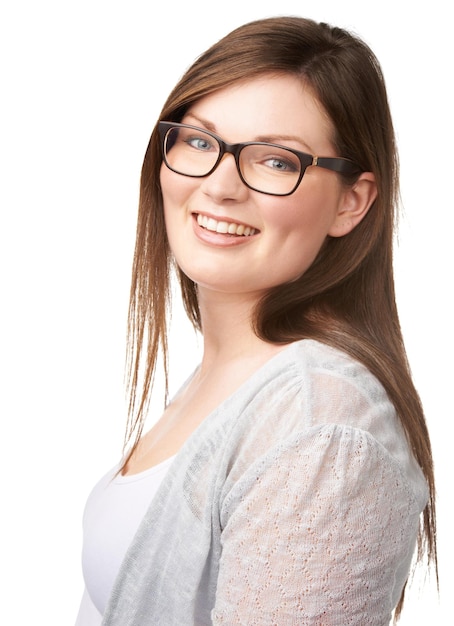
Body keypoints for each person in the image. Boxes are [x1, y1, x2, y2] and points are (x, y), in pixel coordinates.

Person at [75, 16, 437, 625]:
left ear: (351, 202)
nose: (218, 186)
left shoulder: (319, 427)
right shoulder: (234, 378)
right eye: (197, 141)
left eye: (275, 161)